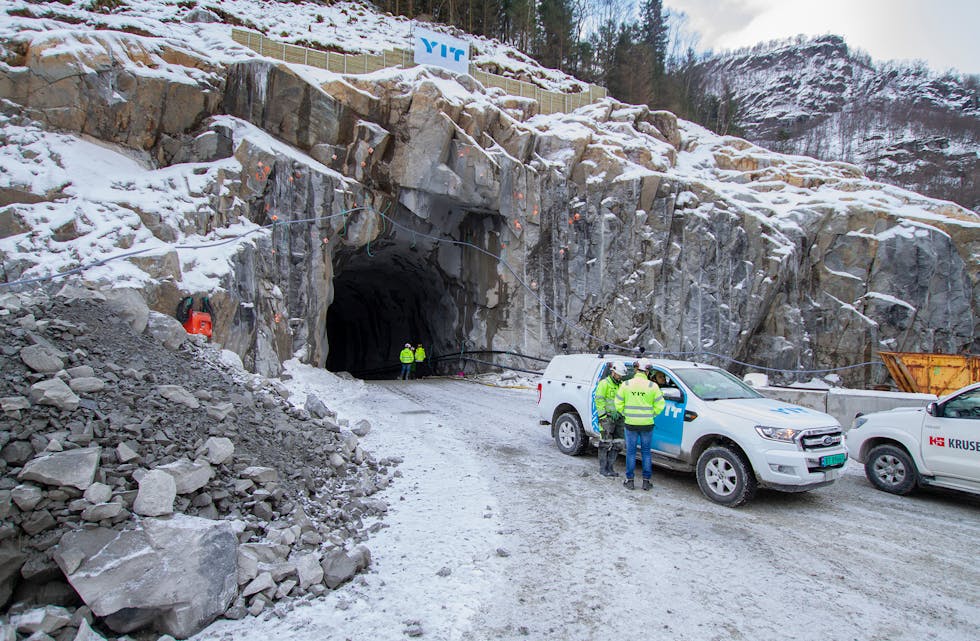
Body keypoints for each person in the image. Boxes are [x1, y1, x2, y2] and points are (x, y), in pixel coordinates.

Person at [614, 358, 665, 490]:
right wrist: (651, 414)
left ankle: (630, 481)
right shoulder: (652, 386)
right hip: (647, 424)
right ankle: (646, 482)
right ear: (647, 371)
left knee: (631, 452)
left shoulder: (626, 384)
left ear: (636, 369)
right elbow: (661, 405)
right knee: (646, 452)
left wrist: (626, 413)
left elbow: (618, 403)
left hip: (630, 423)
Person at [594, 362, 628, 476]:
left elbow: (624, 401)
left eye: (621, 375)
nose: (620, 377)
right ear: (613, 372)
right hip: (606, 419)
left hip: (619, 418)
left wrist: (620, 413)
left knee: (618, 444)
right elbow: (599, 400)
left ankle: (610, 467)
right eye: (618, 375)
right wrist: (603, 417)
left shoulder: (622, 385)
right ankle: (603, 468)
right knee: (605, 443)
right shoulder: (604, 384)